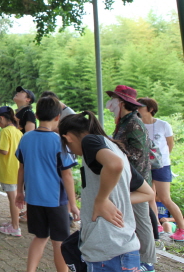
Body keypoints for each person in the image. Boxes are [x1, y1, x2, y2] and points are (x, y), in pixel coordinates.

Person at [58, 111, 155, 272]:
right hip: (124, 247)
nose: (72, 151)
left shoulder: (89, 141)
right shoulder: (115, 148)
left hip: (107, 250)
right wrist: (113, 201)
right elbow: (147, 193)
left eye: (67, 147)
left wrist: (101, 200)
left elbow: (114, 164)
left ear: (68, 137)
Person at [15, 96, 79, 272]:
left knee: (40, 236)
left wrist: (19, 192)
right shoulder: (59, 141)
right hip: (55, 199)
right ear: (58, 117)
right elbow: (67, 174)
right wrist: (73, 205)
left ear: (36, 115)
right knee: (60, 242)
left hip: (34, 198)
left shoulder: (26, 138)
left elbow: (21, 168)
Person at [107, 85, 156, 270]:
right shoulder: (124, 122)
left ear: (121, 102)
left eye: (113, 100)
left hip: (137, 182)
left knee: (142, 221)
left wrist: (115, 150)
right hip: (128, 180)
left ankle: (148, 261)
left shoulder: (134, 123)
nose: (109, 104)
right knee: (131, 220)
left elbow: (139, 154)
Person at [138, 97, 184, 241]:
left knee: (164, 198)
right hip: (145, 165)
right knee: (149, 195)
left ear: (150, 109)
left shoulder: (163, 125)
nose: (137, 109)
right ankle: (156, 225)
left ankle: (182, 229)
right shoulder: (137, 125)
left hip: (162, 165)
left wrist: (162, 159)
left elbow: (170, 145)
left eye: (141, 106)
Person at [0, 106, 23, 237]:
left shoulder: (5, 131)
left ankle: (15, 227)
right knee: (15, 198)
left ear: (2, 118)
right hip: (17, 169)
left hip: (8, 170)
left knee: (13, 199)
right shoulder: (18, 132)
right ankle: (14, 223)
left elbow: (4, 150)